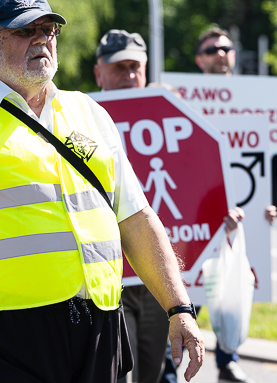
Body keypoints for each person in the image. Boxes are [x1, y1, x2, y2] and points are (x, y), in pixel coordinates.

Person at [0, 0, 204, 383]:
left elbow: (137, 220)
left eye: (48, 29)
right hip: (5, 332)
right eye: (25, 31)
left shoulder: (90, 113)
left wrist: (180, 309)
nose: (41, 40)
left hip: (100, 324)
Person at [194, 26, 277, 383]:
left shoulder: (252, 100)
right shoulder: (185, 99)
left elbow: (269, 152)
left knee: (233, 287)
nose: (220, 53)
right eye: (212, 49)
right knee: (190, 289)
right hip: (197, 214)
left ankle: (228, 358)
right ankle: (169, 364)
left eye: (226, 47)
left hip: (241, 214)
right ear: (200, 59)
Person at [95, 29, 176, 383]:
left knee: (152, 373)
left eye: (135, 67)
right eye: (119, 67)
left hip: (154, 273)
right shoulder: (80, 117)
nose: (129, 75)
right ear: (99, 72)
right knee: (120, 374)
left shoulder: (171, 115)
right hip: (109, 273)